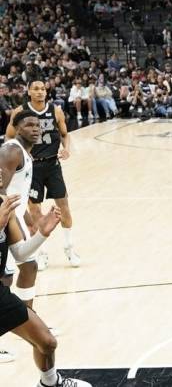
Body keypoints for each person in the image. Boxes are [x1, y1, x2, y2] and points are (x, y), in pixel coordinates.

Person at [0, 190, 90, 386]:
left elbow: (20, 255)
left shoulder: (4, 205)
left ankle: (50, 383)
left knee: (47, 343)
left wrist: (42, 234)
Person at [6, 81, 78, 272]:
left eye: (43, 89)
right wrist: (19, 154)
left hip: (53, 164)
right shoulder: (20, 112)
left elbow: (64, 134)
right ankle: (42, 252)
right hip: (33, 167)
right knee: (35, 210)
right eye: (36, 89)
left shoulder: (56, 110)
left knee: (64, 207)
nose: (40, 92)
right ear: (29, 92)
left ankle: (69, 248)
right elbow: (8, 137)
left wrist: (66, 149)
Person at [0, 110, 44, 313]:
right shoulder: (12, 151)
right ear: (17, 128)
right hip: (5, 220)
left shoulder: (25, 153)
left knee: (29, 266)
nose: (35, 128)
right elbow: (0, 190)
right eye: (29, 125)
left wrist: (28, 218)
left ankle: (27, 318)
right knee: (5, 278)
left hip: (15, 217)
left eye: (37, 125)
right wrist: (10, 221)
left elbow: (17, 190)